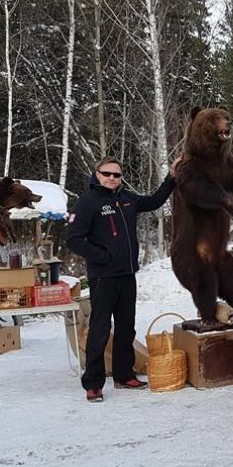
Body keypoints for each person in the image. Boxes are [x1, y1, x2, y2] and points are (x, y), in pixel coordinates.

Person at [66, 156, 180, 402]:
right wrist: (101, 256)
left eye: (116, 175)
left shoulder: (127, 199)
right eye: (107, 174)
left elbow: (154, 201)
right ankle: (93, 383)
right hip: (103, 277)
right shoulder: (87, 203)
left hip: (127, 275)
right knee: (100, 329)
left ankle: (123, 374)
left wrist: (172, 177)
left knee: (126, 327)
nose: (111, 178)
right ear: (97, 175)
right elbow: (73, 239)